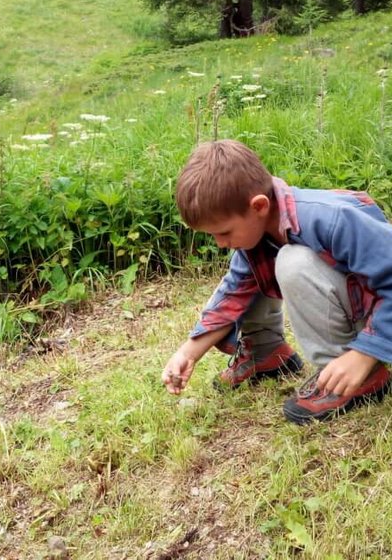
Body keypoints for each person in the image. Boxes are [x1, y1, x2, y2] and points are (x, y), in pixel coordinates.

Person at [162, 139, 392, 424]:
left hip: (374, 321)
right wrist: (189, 352)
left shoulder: (331, 219)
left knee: (292, 262)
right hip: (356, 311)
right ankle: (265, 352)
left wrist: (362, 355)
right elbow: (234, 292)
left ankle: (355, 376)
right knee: (251, 269)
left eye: (223, 232)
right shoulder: (256, 231)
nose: (220, 243)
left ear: (258, 206)